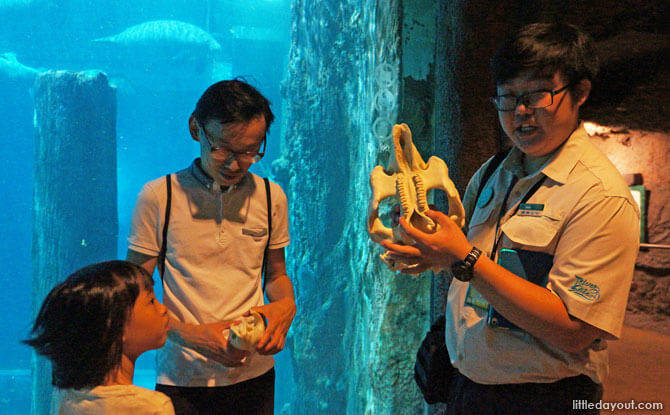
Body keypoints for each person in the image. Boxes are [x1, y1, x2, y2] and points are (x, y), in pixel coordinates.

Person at [381, 23, 640, 414]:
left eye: (537, 95)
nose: (521, 112)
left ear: (580, 92)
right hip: (466, 388)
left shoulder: (600, 197)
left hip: (543, 399)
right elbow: (477, 265)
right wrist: (437, 254)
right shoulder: (493, 172)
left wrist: (463, 258)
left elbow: (574, 331)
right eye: (508, 97)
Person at [126, 79, 296, 415]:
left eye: (250, 151)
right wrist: (193, 336)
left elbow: (276, 276)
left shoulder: (270, 196)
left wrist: (285, 309)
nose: (236, 164)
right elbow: (132, 293)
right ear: (195, 128)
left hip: (256, 374)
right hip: (182, 377)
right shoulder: (160, 197)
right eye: (223, 149)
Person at [24, 260, 174, 415]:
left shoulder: (65, 395)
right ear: (116, 325)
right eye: (151, 301)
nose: (163, 309)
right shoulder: (152, 407)